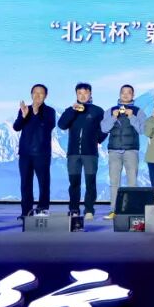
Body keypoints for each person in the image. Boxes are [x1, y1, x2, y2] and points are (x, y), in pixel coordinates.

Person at [57, 82, 105, 219]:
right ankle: (74, 209)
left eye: (85, 93)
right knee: (74, 183)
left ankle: (89, 210)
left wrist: (97, 140)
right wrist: (73, 111)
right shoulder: (70, 110)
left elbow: (105, 128)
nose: (82, 96)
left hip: (90, 153)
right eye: (79, 93)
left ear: (90, 94)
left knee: (90, 182)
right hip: (73, 154)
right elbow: (61, 125)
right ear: (76, 94)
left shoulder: (97, 111)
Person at [102, 84, 146, 221]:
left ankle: (131, 209)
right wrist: (113, 117)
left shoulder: (138, 111)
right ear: (120, 94)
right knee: (114, 182)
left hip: (131, 150)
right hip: (114, 151)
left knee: (132, 182)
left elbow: (142, 130)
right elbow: (104, 128)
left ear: (133, 95)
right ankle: (114, 210)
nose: (126, 95)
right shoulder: (110, 110)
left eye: (129, 92)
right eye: (123, 92)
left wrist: (131, 117)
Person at [13, 84, 56, 219]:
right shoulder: (25, 109)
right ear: (31, 94)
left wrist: (36, 113)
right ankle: (26, 212)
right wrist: (23, 116)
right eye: (35, 93)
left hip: (42, 153)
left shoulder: (49, 111)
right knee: (25, 184)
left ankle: (42, 209)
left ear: (45, 96)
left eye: (41, 93)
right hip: (25, 153)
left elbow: (49, 126)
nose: (37, 96)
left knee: (43, 183)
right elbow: (16, 127)